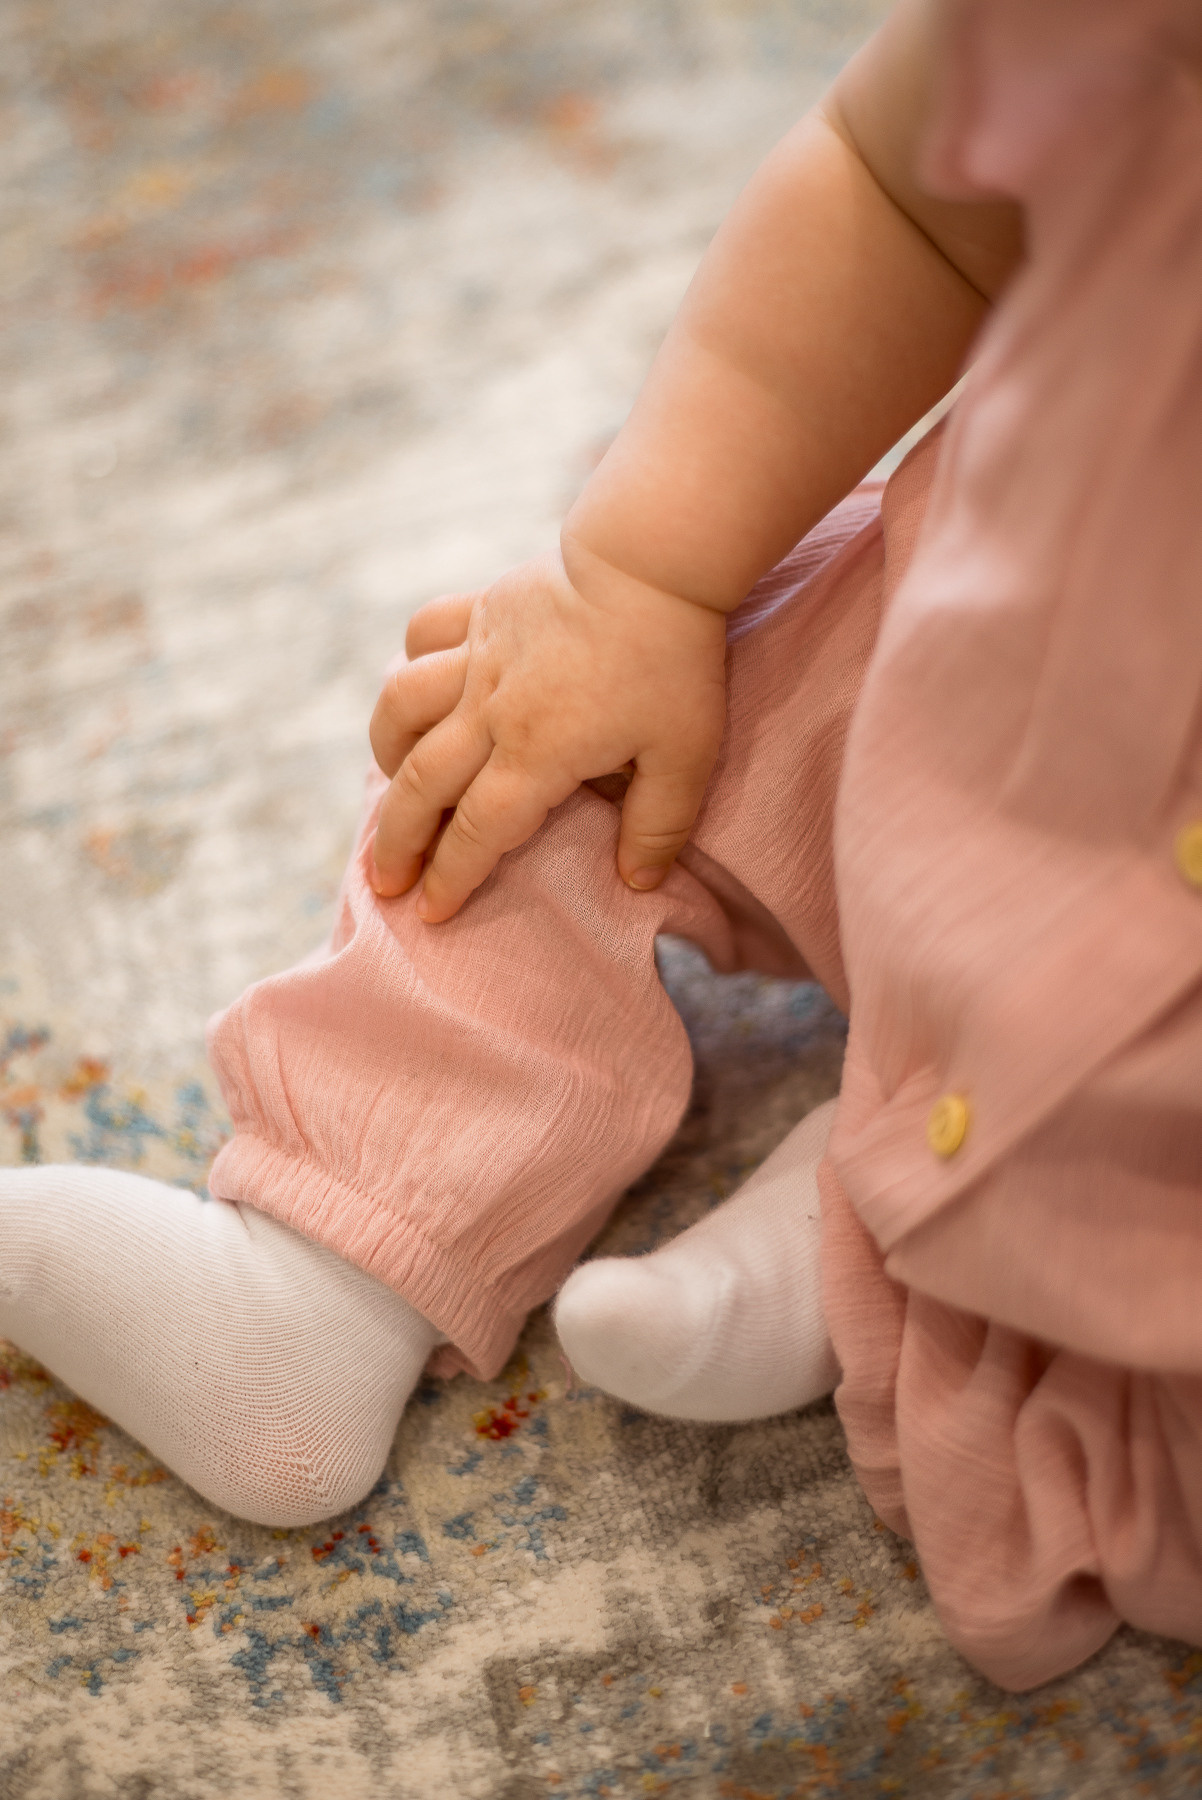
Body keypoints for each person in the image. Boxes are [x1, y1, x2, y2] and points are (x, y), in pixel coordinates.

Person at [3, 0, 1201, 1692]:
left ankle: (885, 1245)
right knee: (541, 754)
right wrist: (637, 581)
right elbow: (900, 186)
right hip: (987, 655)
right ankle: (317, 1279)